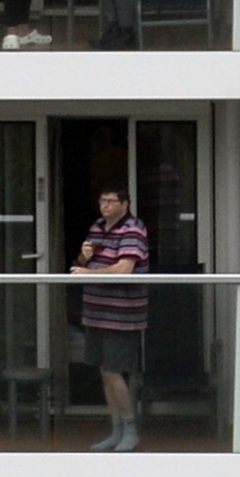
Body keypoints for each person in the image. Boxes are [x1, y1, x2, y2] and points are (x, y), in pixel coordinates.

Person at [73, 185, 151, 451]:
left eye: (110, 201)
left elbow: (124, 269)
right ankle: (116, 430)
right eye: (101, 200)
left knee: (114, 371)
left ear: (124, 204)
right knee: (104, 372)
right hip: (95, 311)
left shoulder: (133, 229)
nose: (105, 205)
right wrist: (84, 259)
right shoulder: (96, 227)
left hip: (121, 313)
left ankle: (130, 430)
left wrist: (88, 274)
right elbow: (84, 264)